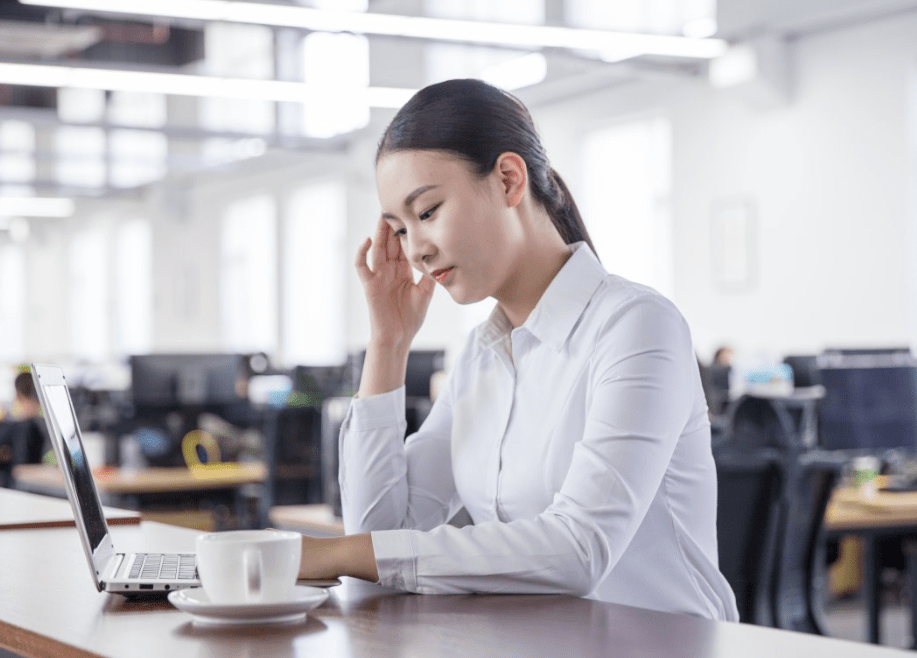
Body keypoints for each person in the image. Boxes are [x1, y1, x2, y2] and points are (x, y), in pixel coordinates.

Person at [297, 79, 738, 621]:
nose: (415, 251)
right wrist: (388, 343)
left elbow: (579, 550)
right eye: (399, 230)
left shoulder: (637, 326)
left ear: (509, 179)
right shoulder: (480, 358)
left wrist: (331, 555)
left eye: (427, 212)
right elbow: (380, 534)